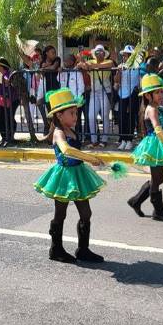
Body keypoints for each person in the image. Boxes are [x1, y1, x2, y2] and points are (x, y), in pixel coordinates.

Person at [34, 88, 106, 263]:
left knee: (86, 213)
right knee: (61, 214)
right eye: (71, 113)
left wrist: (90, 159)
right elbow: (66, 150)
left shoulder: (72, 130)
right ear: (59, 116)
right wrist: (90, 158)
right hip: (64, 177)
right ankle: (56, 249)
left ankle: (83, 249)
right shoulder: (59, 132)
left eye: (76, 113)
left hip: (79, 175)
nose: (75, 117)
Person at [127, 74, 163, 222]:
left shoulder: (158, 108)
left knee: (160, 178)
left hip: (161, 142)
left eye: (162, 92)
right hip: (155, 146)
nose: (161, 95)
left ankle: (136, 200)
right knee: (156, 178)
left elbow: (162, 128)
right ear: (148, 95)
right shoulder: (151, 109)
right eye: (157, 92)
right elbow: (157, 130)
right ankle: (157, 211)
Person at [82, 45, 114, 147]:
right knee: (91, 116)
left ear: (104, 53)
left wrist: (93, 67)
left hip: (105, 91)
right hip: (94, 92)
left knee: (105, 115)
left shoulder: (108, 62)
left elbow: (110, 64)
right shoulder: (91, 61)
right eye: (96, 51)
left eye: (101, 51)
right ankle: (94, 140)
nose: (99, 53)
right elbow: (83, 65)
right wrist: (86, 64)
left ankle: (104, 140)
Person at [114, 45, 141, 151]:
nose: (125, 57)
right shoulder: (121, 66)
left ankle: (129, 140)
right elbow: (116, 80)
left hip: (132, 94)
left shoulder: (137, 67)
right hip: (122, 94)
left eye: (126, 55)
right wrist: (119, 71)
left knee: (130, 118)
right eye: (124, 55)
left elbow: (139, 81)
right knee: (121, 118)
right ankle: (123, 140)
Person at [0, 57, 20, 147]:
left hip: (10, 100)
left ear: (2, 67)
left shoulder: (9, 74)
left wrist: (6, 81)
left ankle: (10, 137)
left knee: (9, 118)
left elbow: (10, 84)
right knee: (0, 120)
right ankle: (4, 137)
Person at [59, 53, 86, 136]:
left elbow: (81, 88)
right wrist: (60, 72)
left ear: (72, 62)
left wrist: (75, 99)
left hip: (75, 100)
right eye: (64, 60)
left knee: (76, 119)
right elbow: (59, 81)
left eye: (66, 60)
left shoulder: (77, 72)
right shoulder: (63, 72)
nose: (64, 62)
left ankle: (78, 136)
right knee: (65, 119)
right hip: (65, 100)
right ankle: (67, 136)